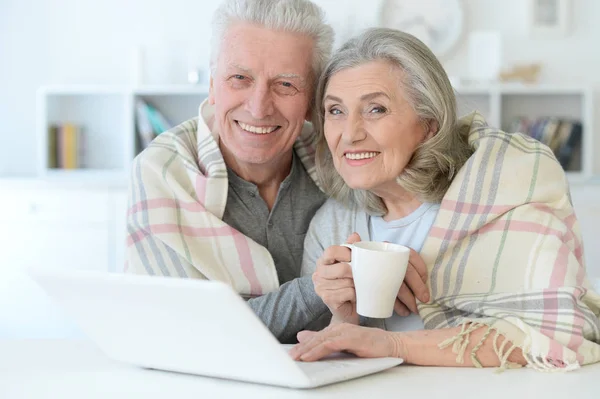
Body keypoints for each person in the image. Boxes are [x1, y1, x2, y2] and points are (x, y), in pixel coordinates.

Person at [289, 28, 600, 370]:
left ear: (430, 123)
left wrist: (393, 343)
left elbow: (553, 337)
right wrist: (342, 317)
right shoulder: (332, 225)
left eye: (375, 109)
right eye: (335, 111)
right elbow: (331, 355)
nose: (350, 133)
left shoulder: (507, 190)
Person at [124, 0, 430, 343]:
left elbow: (447, 139)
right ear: (212, 85)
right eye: (239, 78)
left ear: (314, 99)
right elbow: (184, 331)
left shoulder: (344, 156)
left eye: (285, 84)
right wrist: (317, 289)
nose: (258, 107)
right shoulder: (162, 173)